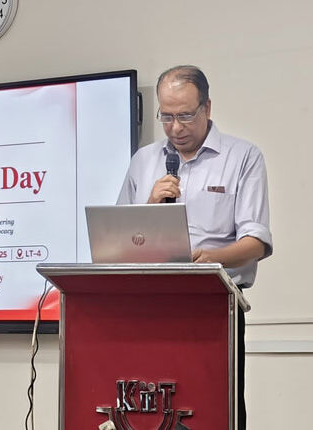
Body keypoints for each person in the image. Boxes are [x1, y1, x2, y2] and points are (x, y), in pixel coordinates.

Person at [117, 65, 272, 429]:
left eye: (185, 115)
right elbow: (119, 240)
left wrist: (211, 260)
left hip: (213, 306)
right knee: (148, 413)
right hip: (145, 306)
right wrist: (150, 205)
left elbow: (256, 241)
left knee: (210, 411)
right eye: (167, 116)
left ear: (207, 107)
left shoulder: (242, 157)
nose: (175, 128)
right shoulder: (143, 161)